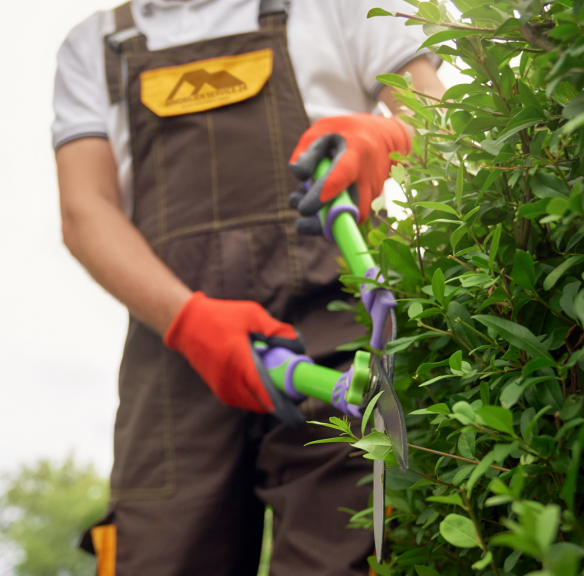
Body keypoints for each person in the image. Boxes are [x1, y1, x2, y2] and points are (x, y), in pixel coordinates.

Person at [52, 1, 445, 574]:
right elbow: (84, 210)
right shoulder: (94, 44)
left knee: (350, 553)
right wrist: (188, 321)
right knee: (159, 556)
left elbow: (443, 115)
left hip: (341, 334)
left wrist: (392, 135)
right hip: (175, 354)